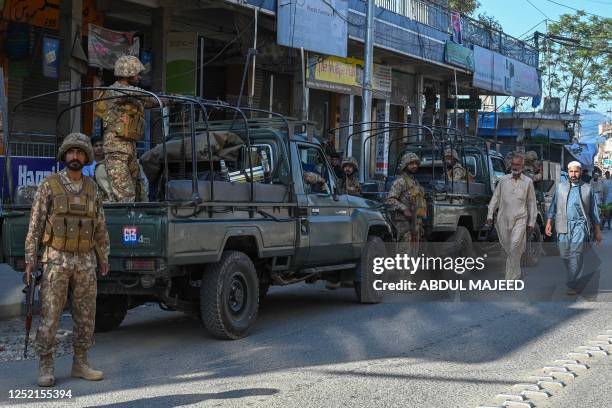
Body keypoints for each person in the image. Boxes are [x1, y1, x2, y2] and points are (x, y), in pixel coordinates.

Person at [24, 133, 110, 387]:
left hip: (85, 260)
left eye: (80, 152)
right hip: (55, 261)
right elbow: (36, 223)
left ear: (86, 157)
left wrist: (103, 255)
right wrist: (31, 258)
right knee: (50, 315)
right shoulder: (49, 185)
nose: (75, 156)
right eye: (71, 152)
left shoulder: (93, 187)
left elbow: (100, 224)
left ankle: (80, 362)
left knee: (86, 316)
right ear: (64, 156)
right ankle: (46, 364)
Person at [96, 55, 159, 202]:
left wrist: (170, 99)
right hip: (116, 147)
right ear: (128, 73)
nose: (138, 77)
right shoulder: (115, 91)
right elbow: (141, 95)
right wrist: (155, 98)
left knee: (139, 191)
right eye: (136, 73)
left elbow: (151, 101)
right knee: (125, 194)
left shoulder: (131, 95)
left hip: (129, 146)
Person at [545, 161, 603, 295]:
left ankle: (572, 284)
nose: (573, 174)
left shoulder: (587, 189)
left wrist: (597, 231)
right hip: (563, 225)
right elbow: (553, 206)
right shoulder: (560, 188)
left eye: (576, 171)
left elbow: (594, 212)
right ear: (568, 172)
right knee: (565, 254)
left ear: (581, 172)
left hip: (580, 225)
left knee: (575, 253)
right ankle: (574, 276)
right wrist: (549, 223)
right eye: (571, 172)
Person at [487, 153, 537, 280]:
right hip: (503, 220)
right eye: (513, 164)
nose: (515, 167)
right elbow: (495, 198)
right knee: (510, 248)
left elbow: (531, 203)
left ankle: (509, 279)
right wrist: (490, 214)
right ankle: (517, 273)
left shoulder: (528, 182)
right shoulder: (503, 180)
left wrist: (531, 222)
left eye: (517, 165)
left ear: (522, 166)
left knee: (515, 245)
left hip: (520, 219)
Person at [386, 152, 427, 245]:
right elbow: (390, 200)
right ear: (405, 165)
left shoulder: (415, 183)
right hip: (404, 224)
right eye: (411, 163)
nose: (414, 166)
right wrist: (404, 209)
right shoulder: (400, 181)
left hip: (416, 224)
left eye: (416, 163)